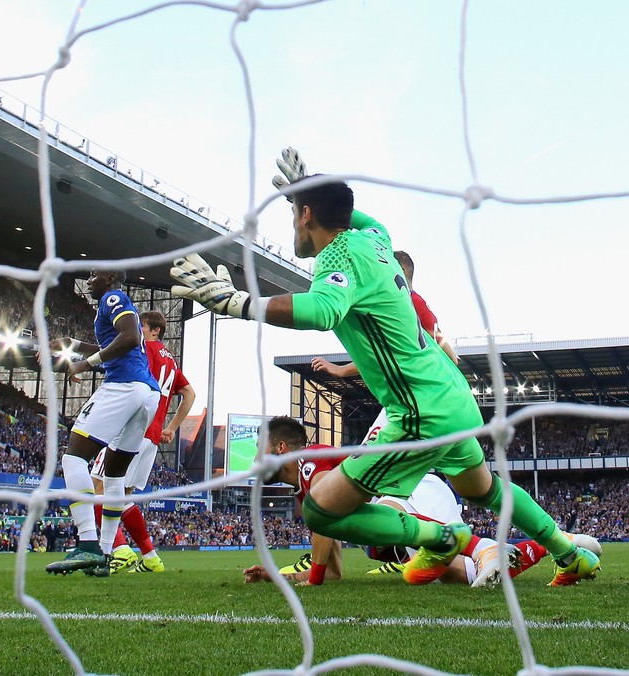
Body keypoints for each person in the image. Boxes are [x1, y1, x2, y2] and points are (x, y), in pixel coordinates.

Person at [171, 149, 599, 586]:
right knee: (484, 488)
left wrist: (238, 301)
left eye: (294, 213)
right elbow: (361, 219)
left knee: (321, 509)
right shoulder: (374, 238)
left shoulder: (337, 255)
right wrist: (302, 194)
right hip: (452, 395)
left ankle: (442, 538)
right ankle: (569, 553)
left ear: (305, 215)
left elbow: (322, 311)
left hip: (420, 411)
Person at [245, 417, 597, 586]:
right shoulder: (311, 486)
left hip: (412, 489)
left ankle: (481, 546)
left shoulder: (309, 461)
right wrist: (279, 577)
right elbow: (330, 570)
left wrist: (314, 580)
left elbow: (322, 538)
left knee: (387, 519)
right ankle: (554, 545)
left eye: (258, 449)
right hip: (418, 484)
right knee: (459, 576)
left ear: (280, 450)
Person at [45, 269, 160, 576]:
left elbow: (130, 337)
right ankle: (106, 555)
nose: (89, 280)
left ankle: (87, 543)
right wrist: (77, 345)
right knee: (114, 478)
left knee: (73, 459)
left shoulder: (113, 297)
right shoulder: (118, 305)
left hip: (123, 385)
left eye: (95, 274)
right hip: (147, 394)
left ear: (109, 278)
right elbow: (120, 345)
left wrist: (86, 362)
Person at [310, 249, 460, 444]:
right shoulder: (411, 303)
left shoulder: (409, 303)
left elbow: (389, 356)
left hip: (414, 401)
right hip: (415, 400)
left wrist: (341, 370)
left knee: (366, 461)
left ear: (398, 269)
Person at [90, 310, 195, 574]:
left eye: (142, 325)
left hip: (131, 429)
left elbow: (133, 381)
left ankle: (120, 550)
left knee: (97, 488)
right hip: (152, 436)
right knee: (123, 497)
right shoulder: (171, 362)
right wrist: (170, 427)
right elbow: (189, 394)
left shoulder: (144, 348)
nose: (137, 330)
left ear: (154, 330)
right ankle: (150, 557)